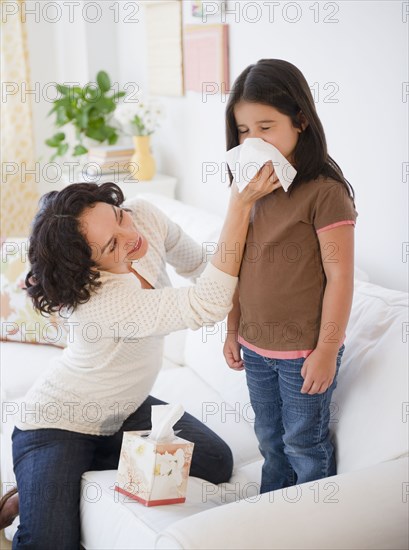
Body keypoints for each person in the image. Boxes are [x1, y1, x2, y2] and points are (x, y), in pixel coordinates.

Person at [2, 170, 281, 548]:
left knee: (215, 462)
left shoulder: (144, 216)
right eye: (111, 247)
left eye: (119, 217)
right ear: (87, 268)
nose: (131, 238)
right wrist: (240, 201)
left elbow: (200, 267)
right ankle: (43, 475)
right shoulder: (102, 300)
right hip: (57, 425)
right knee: (49, 543)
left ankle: (50, 479)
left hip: (124, 409)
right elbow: (206, 303)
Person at [223, 59, 358, 494]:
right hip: (255, 348)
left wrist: (327, 349)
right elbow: (236, 264)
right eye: (244, 131)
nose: (253, 141)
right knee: (269, 440)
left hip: (304, 353)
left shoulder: (325, 192)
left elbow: (340, 278)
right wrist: (232, 328)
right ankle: (271, 514)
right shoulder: (248, 192)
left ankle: (313, 524)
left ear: (300, 121)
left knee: (304, 443)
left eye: (266, 127)